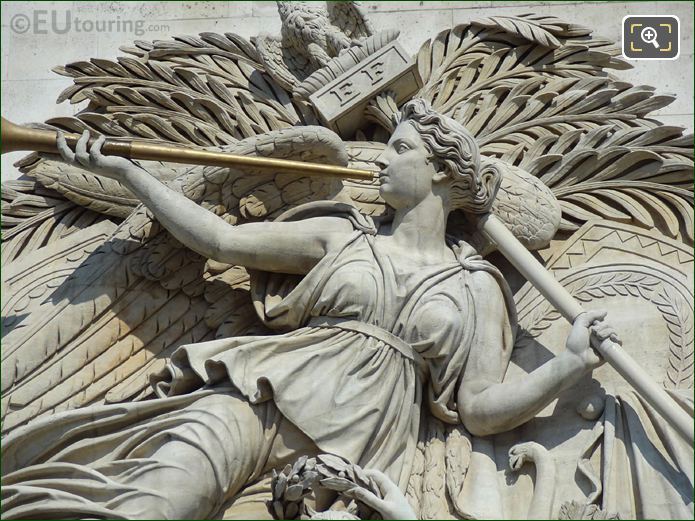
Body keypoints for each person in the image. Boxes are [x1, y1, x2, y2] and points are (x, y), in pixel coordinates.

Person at [1, 99, 616, 520]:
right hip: (257, 400)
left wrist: (567, 365)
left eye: (399, 149)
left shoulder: (478, 286)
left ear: (440, 172)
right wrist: (129, 173)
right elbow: (222, 241)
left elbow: (479, 410)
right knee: (155, 506)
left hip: (347, 465)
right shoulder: (340, 235)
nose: (381, 159)